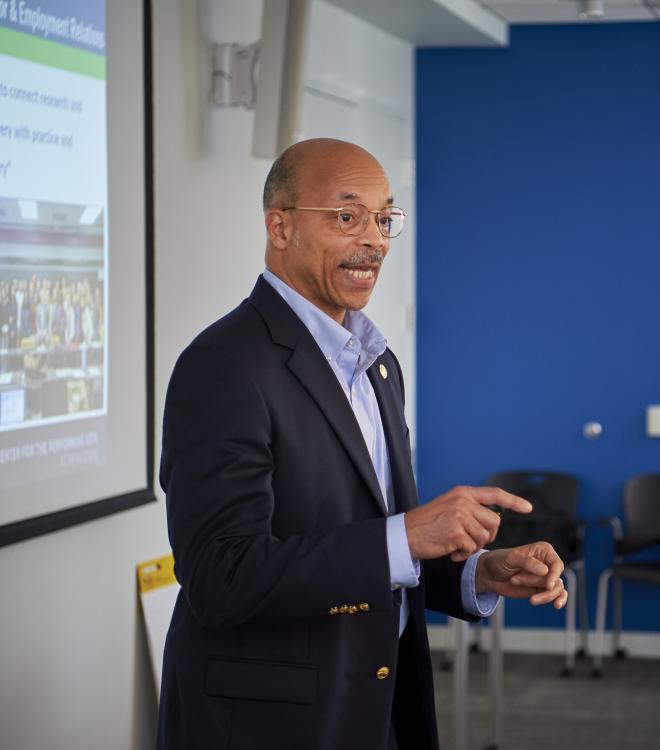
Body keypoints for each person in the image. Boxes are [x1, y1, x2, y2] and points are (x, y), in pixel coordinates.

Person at [157, 138, 569, 750]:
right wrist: (406, 536)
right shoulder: (223, 365)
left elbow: (372, 546)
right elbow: (222, 576)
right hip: (271, 722)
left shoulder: (377, 365)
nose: (374, 239)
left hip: (375, 700)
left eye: (384, 218)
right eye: (347, 216)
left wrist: (478, 574)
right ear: (280, 226)